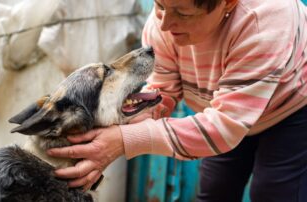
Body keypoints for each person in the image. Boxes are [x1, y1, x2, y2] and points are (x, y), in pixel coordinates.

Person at [47, 0, 307, 201]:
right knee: (215, 189)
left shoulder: (267, 21)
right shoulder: (165, 21)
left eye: (183, 13)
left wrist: (123, 142)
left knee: (273, 191)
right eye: (159, 6)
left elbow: (223, 128)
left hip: (290, 108)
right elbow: (164, 92)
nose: (164, 26)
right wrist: (115, 132)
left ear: (228, 3)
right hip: (220, 108)